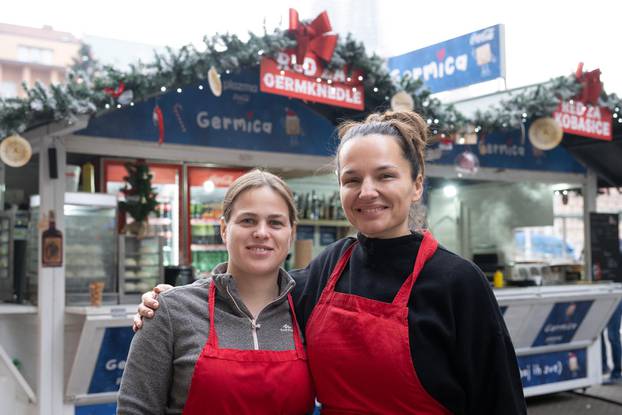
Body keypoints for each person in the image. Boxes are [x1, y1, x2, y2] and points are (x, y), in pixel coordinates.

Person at [135, 110, 527, 414]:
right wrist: (174, 302)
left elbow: (500, 401)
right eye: (352, 179)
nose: (367, 191)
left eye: (385, 176)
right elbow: (255, 290)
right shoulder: (329, 267)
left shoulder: (458, 282)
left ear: (417, 183)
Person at [118, 170, 315, 414]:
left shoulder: (308, 312)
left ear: (292, 233)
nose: (262, 232)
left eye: (275, 222)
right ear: (224, 229)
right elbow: (136, 409)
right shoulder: (170, 310)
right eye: (247, 220)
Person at [601, 301, 622, 384]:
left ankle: (617, 373)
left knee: (613, 335)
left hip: (615, 297)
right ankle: (603, 367)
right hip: (603, 297)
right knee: (598, 332)